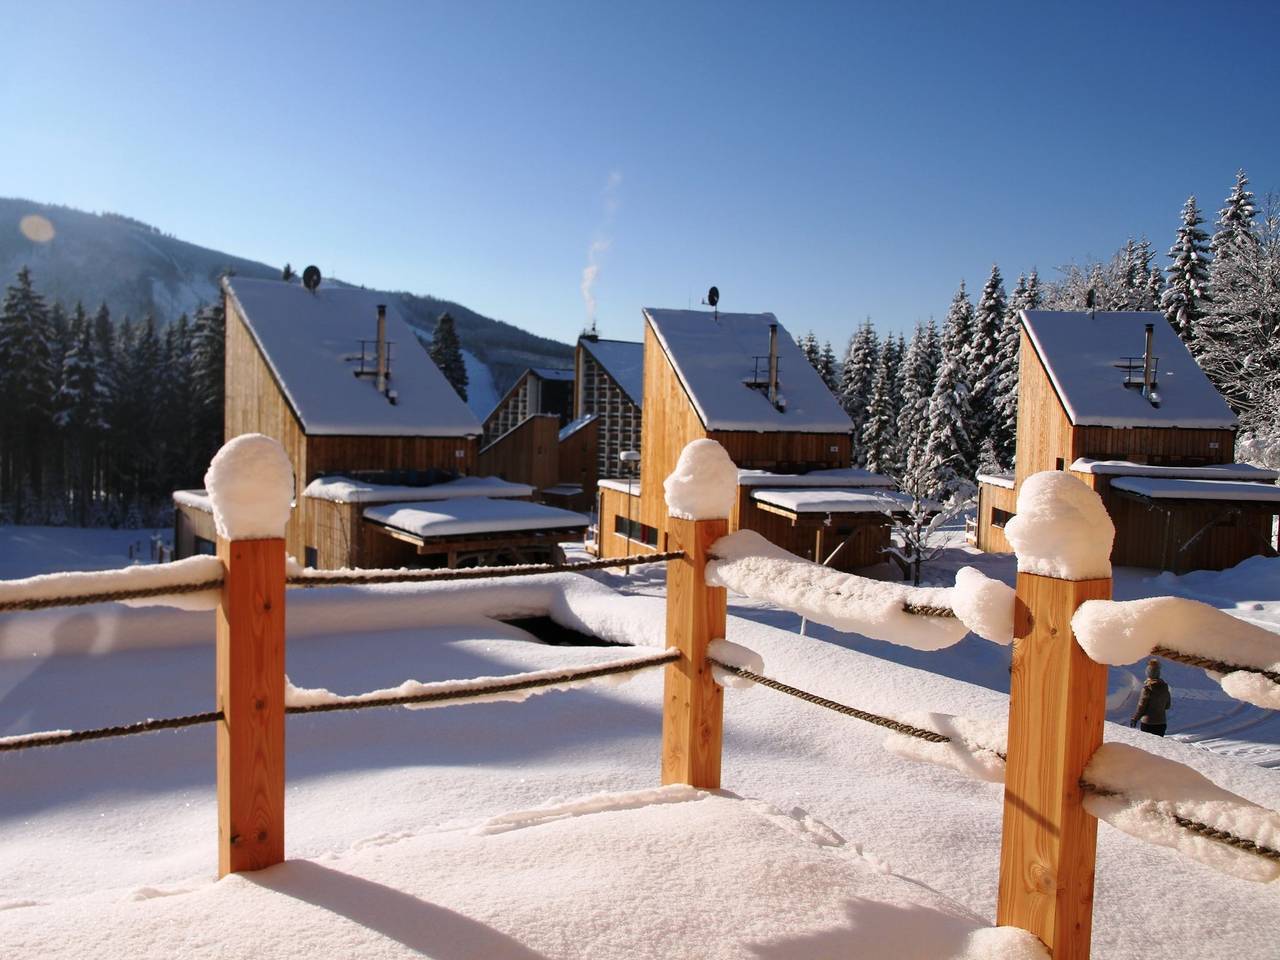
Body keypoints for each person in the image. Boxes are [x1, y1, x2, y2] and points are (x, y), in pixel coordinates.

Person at [1130, 658, 1172, 736]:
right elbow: (1167, 706)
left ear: (1148, 674)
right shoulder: (1165, 688)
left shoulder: (1147, 689)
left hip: (1148, 723)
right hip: (1161, 723)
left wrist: (1135, 718)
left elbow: (1141, 707)